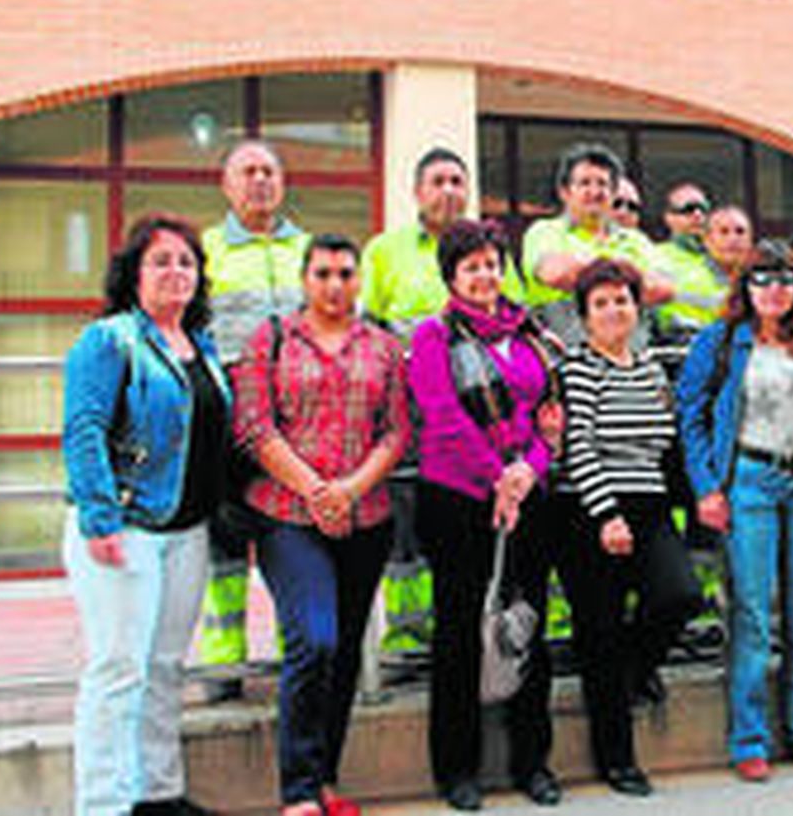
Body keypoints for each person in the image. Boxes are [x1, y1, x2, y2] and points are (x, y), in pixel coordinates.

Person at [233, 234, 411, 816]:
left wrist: (350, 489)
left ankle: (326, 779)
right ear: (304, 279)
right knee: (314, 640)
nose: (335, 286)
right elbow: (255, 427)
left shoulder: (383, 346)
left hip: (367, 518)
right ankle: (299, 792)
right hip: (287, 516)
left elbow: (396, 431)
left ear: (358, 279)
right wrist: (315, 490)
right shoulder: (272, 339)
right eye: (323, 274)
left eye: (344, 274)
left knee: (343, 651)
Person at [62, 213, 229, 816]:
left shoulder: (201, 346)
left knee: (163, 668)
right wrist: (100, 519)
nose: (175, 272)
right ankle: (103, 805)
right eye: (161, 261)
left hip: (186, 531)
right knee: (117, 671)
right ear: (132, 274)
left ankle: (157, 793)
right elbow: (83, 431)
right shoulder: (108, 340)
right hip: (125, 527)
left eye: (186, 261)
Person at [677, 241, 793, 782]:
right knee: (751, 615)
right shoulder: (721, 342)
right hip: (747, 484)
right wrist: (707, 486)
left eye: (784, 279)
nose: (773, 288)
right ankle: (749, 739)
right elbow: (691, 413)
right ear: (744, 288)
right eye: (761, 279)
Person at [408, 220, 564, 812]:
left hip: (528, 496)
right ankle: (458, 771)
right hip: (457, 499)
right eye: (471, 265)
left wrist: (529, 469)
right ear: (451, 275)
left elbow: (554, 415)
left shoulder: (531, 332)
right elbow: (443, 417)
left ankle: (534, 763)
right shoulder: (432, 336)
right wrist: (499, 477)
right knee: (458, 636)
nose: (484, 274)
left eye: (492, 263)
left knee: (529, 626)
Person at [359, 148, 523, 672]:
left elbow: (511, 322)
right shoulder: (385, 250)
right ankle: (407, 641)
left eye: (457, 180)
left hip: (484, 423)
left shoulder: (492, 254)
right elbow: (371, 328)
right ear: (416, 190)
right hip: (414, 412)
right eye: (437, 181)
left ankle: (487, 632)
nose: (449, 189)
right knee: (406, 527)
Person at [552, 259, 700, 797]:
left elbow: (664, 442)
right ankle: (617, 759)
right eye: (602, 303)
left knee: (680, 596)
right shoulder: (578, 367)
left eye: (622, 300)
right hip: (592, 511)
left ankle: (637, 669)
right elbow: (579, 446)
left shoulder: (650, 366)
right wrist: (607, 513)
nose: (615, 310)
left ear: (637, 308)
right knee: (601, 635)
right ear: (585, 315)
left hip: (650, 502)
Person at [199, 140, 310, 702]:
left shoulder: (307, 249)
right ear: (227, 184)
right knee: (223, 549)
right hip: (228, 426)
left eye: (269, 171)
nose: (260, 181)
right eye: (248, 172)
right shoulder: (206, 249)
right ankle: (224, 665)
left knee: (294, 544)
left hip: (298, 429)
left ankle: (302, 658)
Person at [522, 142, 672, 349]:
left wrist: (584, 269)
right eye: (584, 183)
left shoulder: (636, 240)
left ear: (613, 193)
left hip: (631, 364)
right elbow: (555, 274)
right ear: (565, 192)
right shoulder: (545, 231)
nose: (595, 191)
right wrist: (631, 276)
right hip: (565, 360)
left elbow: (663, 289)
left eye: (602, 184)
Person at [653, 182, 721, 338]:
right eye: (688, 209)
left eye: (703, 209)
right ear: (669, 218)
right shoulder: (654, 256)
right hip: (676, 345)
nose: (698, 215)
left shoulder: (723, 257)